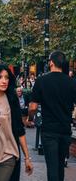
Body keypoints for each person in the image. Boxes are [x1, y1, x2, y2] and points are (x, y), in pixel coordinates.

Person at [29, 50, 76, 181]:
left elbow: (33, 107)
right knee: (60, 165)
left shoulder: (41, 81)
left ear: (51, 63)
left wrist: (30, 119)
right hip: (65, 130)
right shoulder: (72, 83)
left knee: (52, 167)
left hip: (49, 130)